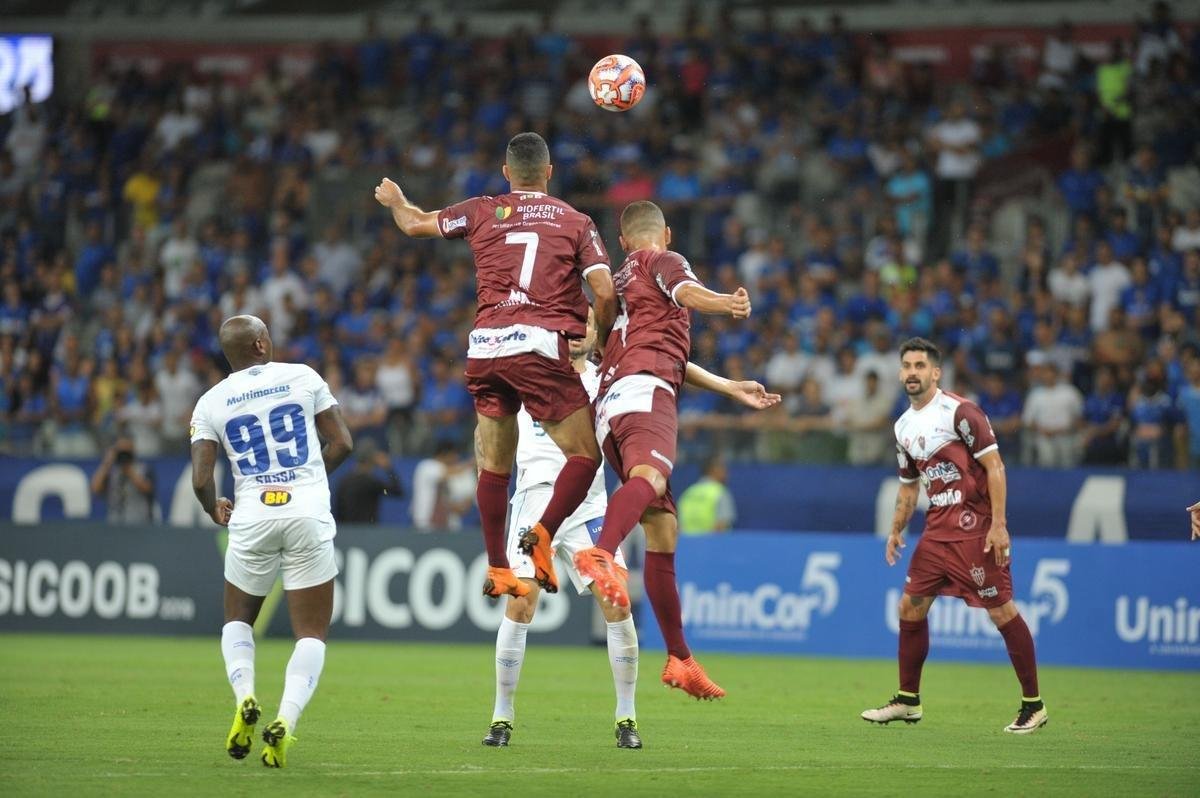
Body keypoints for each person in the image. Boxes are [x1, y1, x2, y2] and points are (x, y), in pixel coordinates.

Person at [375, 131, 617, 600]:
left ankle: (499, 568)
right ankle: (543, 534)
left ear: (507, 173)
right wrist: (603, 337)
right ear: (549, 172)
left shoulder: (481, 209)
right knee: (585, 457)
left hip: (485, 346)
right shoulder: (575, 220)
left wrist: (396, 200)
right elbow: (605, 292)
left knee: (493, 465)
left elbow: (414, 224)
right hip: (538, 344)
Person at [571, 200, 781, 699]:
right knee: (653, 477)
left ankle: (681, 658)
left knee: (663, 526)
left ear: (620, 243)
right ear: (664, 232)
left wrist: (730, 387)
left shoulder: (618, 285)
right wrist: (725, 303)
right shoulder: (661, 260)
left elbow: (662, 353)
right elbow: (687, 291)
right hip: (647, 395)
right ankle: (601, 554)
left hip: (611, 406)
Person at [189, 315, 354, 768]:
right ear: (261, 344)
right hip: (306, 514)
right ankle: (285, 720)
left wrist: (212, 507)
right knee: (312, 633)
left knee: (237, 620)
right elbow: (342, 443)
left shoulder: (210, 401)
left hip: (251, 518)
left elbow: (201, 477)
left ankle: (245, 696)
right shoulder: (302, 376)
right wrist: (310, 481)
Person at [862, 337, 1047, 734]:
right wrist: (896, 529)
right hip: (935, 532)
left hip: (973, 530)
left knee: (1002, 612)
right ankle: (908, 701)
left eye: (919, 366)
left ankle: (1033, 704)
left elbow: (995, 467)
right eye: (906, 366)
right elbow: (910, 484)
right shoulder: (903, 425)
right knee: (910, 608)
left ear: (935, 372)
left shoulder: (961, 412)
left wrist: (998, 524)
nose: (912, 372)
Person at [482, 310, 641, 750]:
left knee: (617, 601)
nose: (574, 332)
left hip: (589, 504)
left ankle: (626, 716)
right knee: (520, 606)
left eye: (584, 324)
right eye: (567, 324)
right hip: (536, 499)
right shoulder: (527, 374)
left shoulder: (607, 381)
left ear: (595, 332)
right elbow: (490, 434)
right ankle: (502, 716)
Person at [332, 438, 404, 524]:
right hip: (367, 533)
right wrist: (388, 468)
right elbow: (398, 491)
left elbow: (338, 512)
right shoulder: (371, 482)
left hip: (347, 532)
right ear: (372, 459)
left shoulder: (344, 481)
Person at [90, 436, 156, 524]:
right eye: (121, 452)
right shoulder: (110, 471)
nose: (124, 455)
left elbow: (147, 489)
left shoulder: (144, 469)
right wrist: (106, 463)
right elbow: (95, 489)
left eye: (127, 451)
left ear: (133, 451)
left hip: (139, 524)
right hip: (114, 523)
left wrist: (129, 470)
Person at [677, 455, 736, 534]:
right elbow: (722, 525)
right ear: (713, 470)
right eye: (723, 469)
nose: (727, 473)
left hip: (686, 543)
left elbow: (677, 525)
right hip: (711, 544)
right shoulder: (720, 492)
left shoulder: (688, 493)